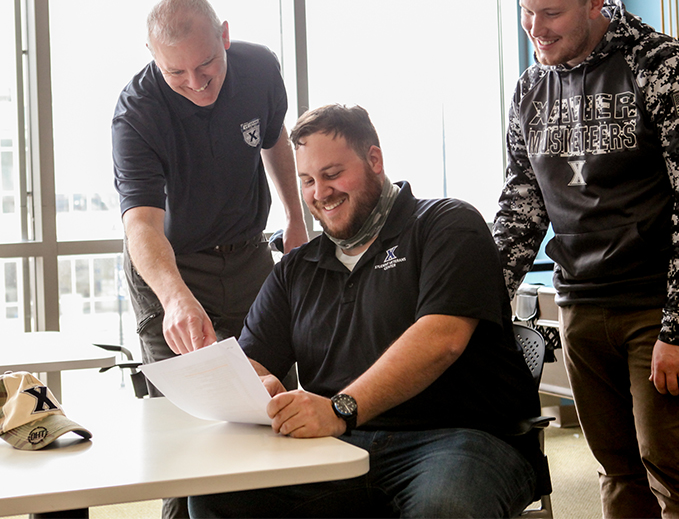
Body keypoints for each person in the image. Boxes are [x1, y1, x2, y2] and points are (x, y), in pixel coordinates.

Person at [188, 104, 548, 519]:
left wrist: (341, 408)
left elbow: (442, 339)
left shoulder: (447, 225)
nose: (320, 193)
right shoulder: (296, 268)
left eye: (332, 174)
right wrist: (257, 386)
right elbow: (251, 362)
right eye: (307, 180)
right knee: (215, 496)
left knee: (443, 510)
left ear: (374, 160)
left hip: (462, 438)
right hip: (339, 449)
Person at [493, 0, 679, 518]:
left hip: (658, 307)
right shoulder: (530, 88)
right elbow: (522, 205)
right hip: (579, 306)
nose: (535, 27)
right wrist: (482, 302)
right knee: (618, 475)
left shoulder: (669, 69)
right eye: (527, 11)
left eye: (551, 12)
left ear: (596, 1)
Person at [112, 0, 307, 518]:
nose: (197, 84)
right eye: (177, 73)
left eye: (206, 65)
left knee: (273, 406)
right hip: (171, 268)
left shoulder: (259, 68)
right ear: (153, 57)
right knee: (187, 428)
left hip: (248, 257)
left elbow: (275, 141)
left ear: (224, 36)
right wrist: (175, 298)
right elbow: (142, 226)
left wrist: (294, 216)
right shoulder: (137, 114)